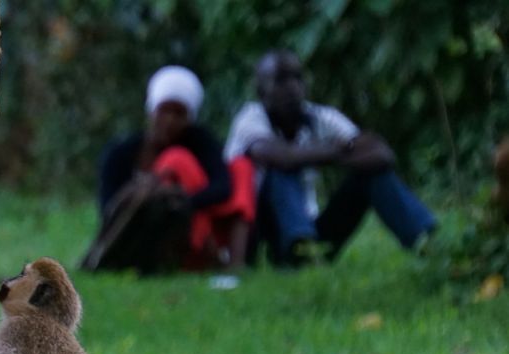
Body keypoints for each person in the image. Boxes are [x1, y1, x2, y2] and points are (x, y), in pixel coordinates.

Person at [224, 49, 437, 267]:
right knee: (281, 170)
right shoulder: (250, 118)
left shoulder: (321, 116)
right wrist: (339, 151)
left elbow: (382, 154)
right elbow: (280, 157)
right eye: (281, 81)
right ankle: (299, 251)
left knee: (371, 175)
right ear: (261, 91)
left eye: (297, 78)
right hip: (263, 231)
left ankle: (427, 242)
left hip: (312, 227)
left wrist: (325, 155)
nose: (292, 87)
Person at [82, 66, 255, 274]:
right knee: (176, 160)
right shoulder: (120, 153)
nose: (170, 120)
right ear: (151, 110)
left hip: (203, 225)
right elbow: (108, 208)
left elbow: (223, 187)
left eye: (179, 113)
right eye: (164, 111)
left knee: (241, 167)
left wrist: (183, 199)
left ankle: (236, 262)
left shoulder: (200, 141)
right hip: (152, 236)